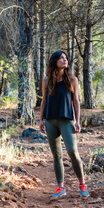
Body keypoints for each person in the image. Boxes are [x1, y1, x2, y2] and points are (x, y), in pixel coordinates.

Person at [39, 51, 90, 199]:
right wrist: (41, 120)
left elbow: (76, 101)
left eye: (66, 58)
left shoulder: (72, 79)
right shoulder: (46, 80)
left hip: (67, 120)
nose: (64, 60)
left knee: (73, 152)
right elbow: (44, 101)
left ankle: (82, 185)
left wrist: (77, 121)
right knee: (57, 155)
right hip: (50, 121)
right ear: (54, 61)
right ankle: (60, 188)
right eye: (61, 58)